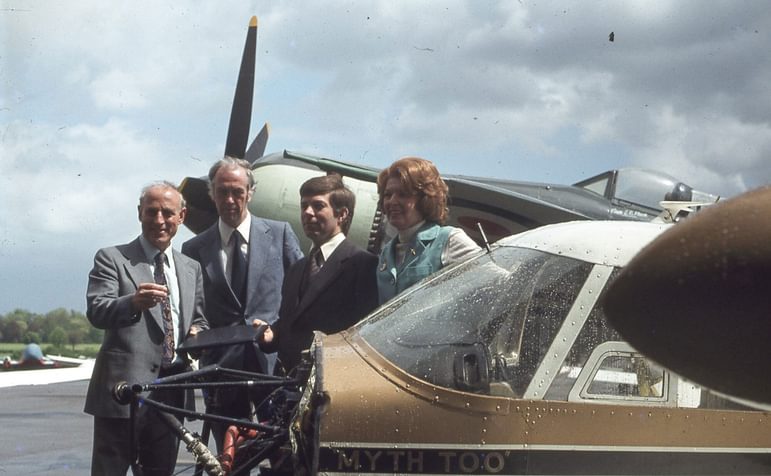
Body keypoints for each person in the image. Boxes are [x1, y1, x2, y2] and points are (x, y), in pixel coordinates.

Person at [85, 182, 209, 476]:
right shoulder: (111, 258)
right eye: (151, 212)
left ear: (182, 216)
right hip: (123, 393)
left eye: (168, 213)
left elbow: (199, 319)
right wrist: (133, 302)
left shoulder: (191, 268)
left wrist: (197, 333)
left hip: (172, 393)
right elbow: (97, 311)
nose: (159, 220)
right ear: (139, 213)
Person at [181, 156, 303, 450]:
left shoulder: (280, 234)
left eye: (237, 192)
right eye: (222, 191)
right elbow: (192, 306)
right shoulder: (194, 248)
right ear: (211, 194)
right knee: (230, 458)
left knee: (282, 453)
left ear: (251, 193)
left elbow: (301, 294)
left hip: (273, 365)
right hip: (221, 370)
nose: (230, 200)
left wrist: (278, 332)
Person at [256, 174, 379, 372]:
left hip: (329, 382)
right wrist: (272, 335)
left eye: (318, 206)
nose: (307, 212)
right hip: (287, 383)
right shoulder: (297, 269)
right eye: (304, 205)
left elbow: (365, 335)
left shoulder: (363, 265)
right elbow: (292, 323)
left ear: (342, 214)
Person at [376, 156, 480, 303]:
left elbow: (495, 280)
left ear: (425, 199)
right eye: (388, 195)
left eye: (403, 194)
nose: (392, 201)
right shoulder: (386, 253)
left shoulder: (449, 240)